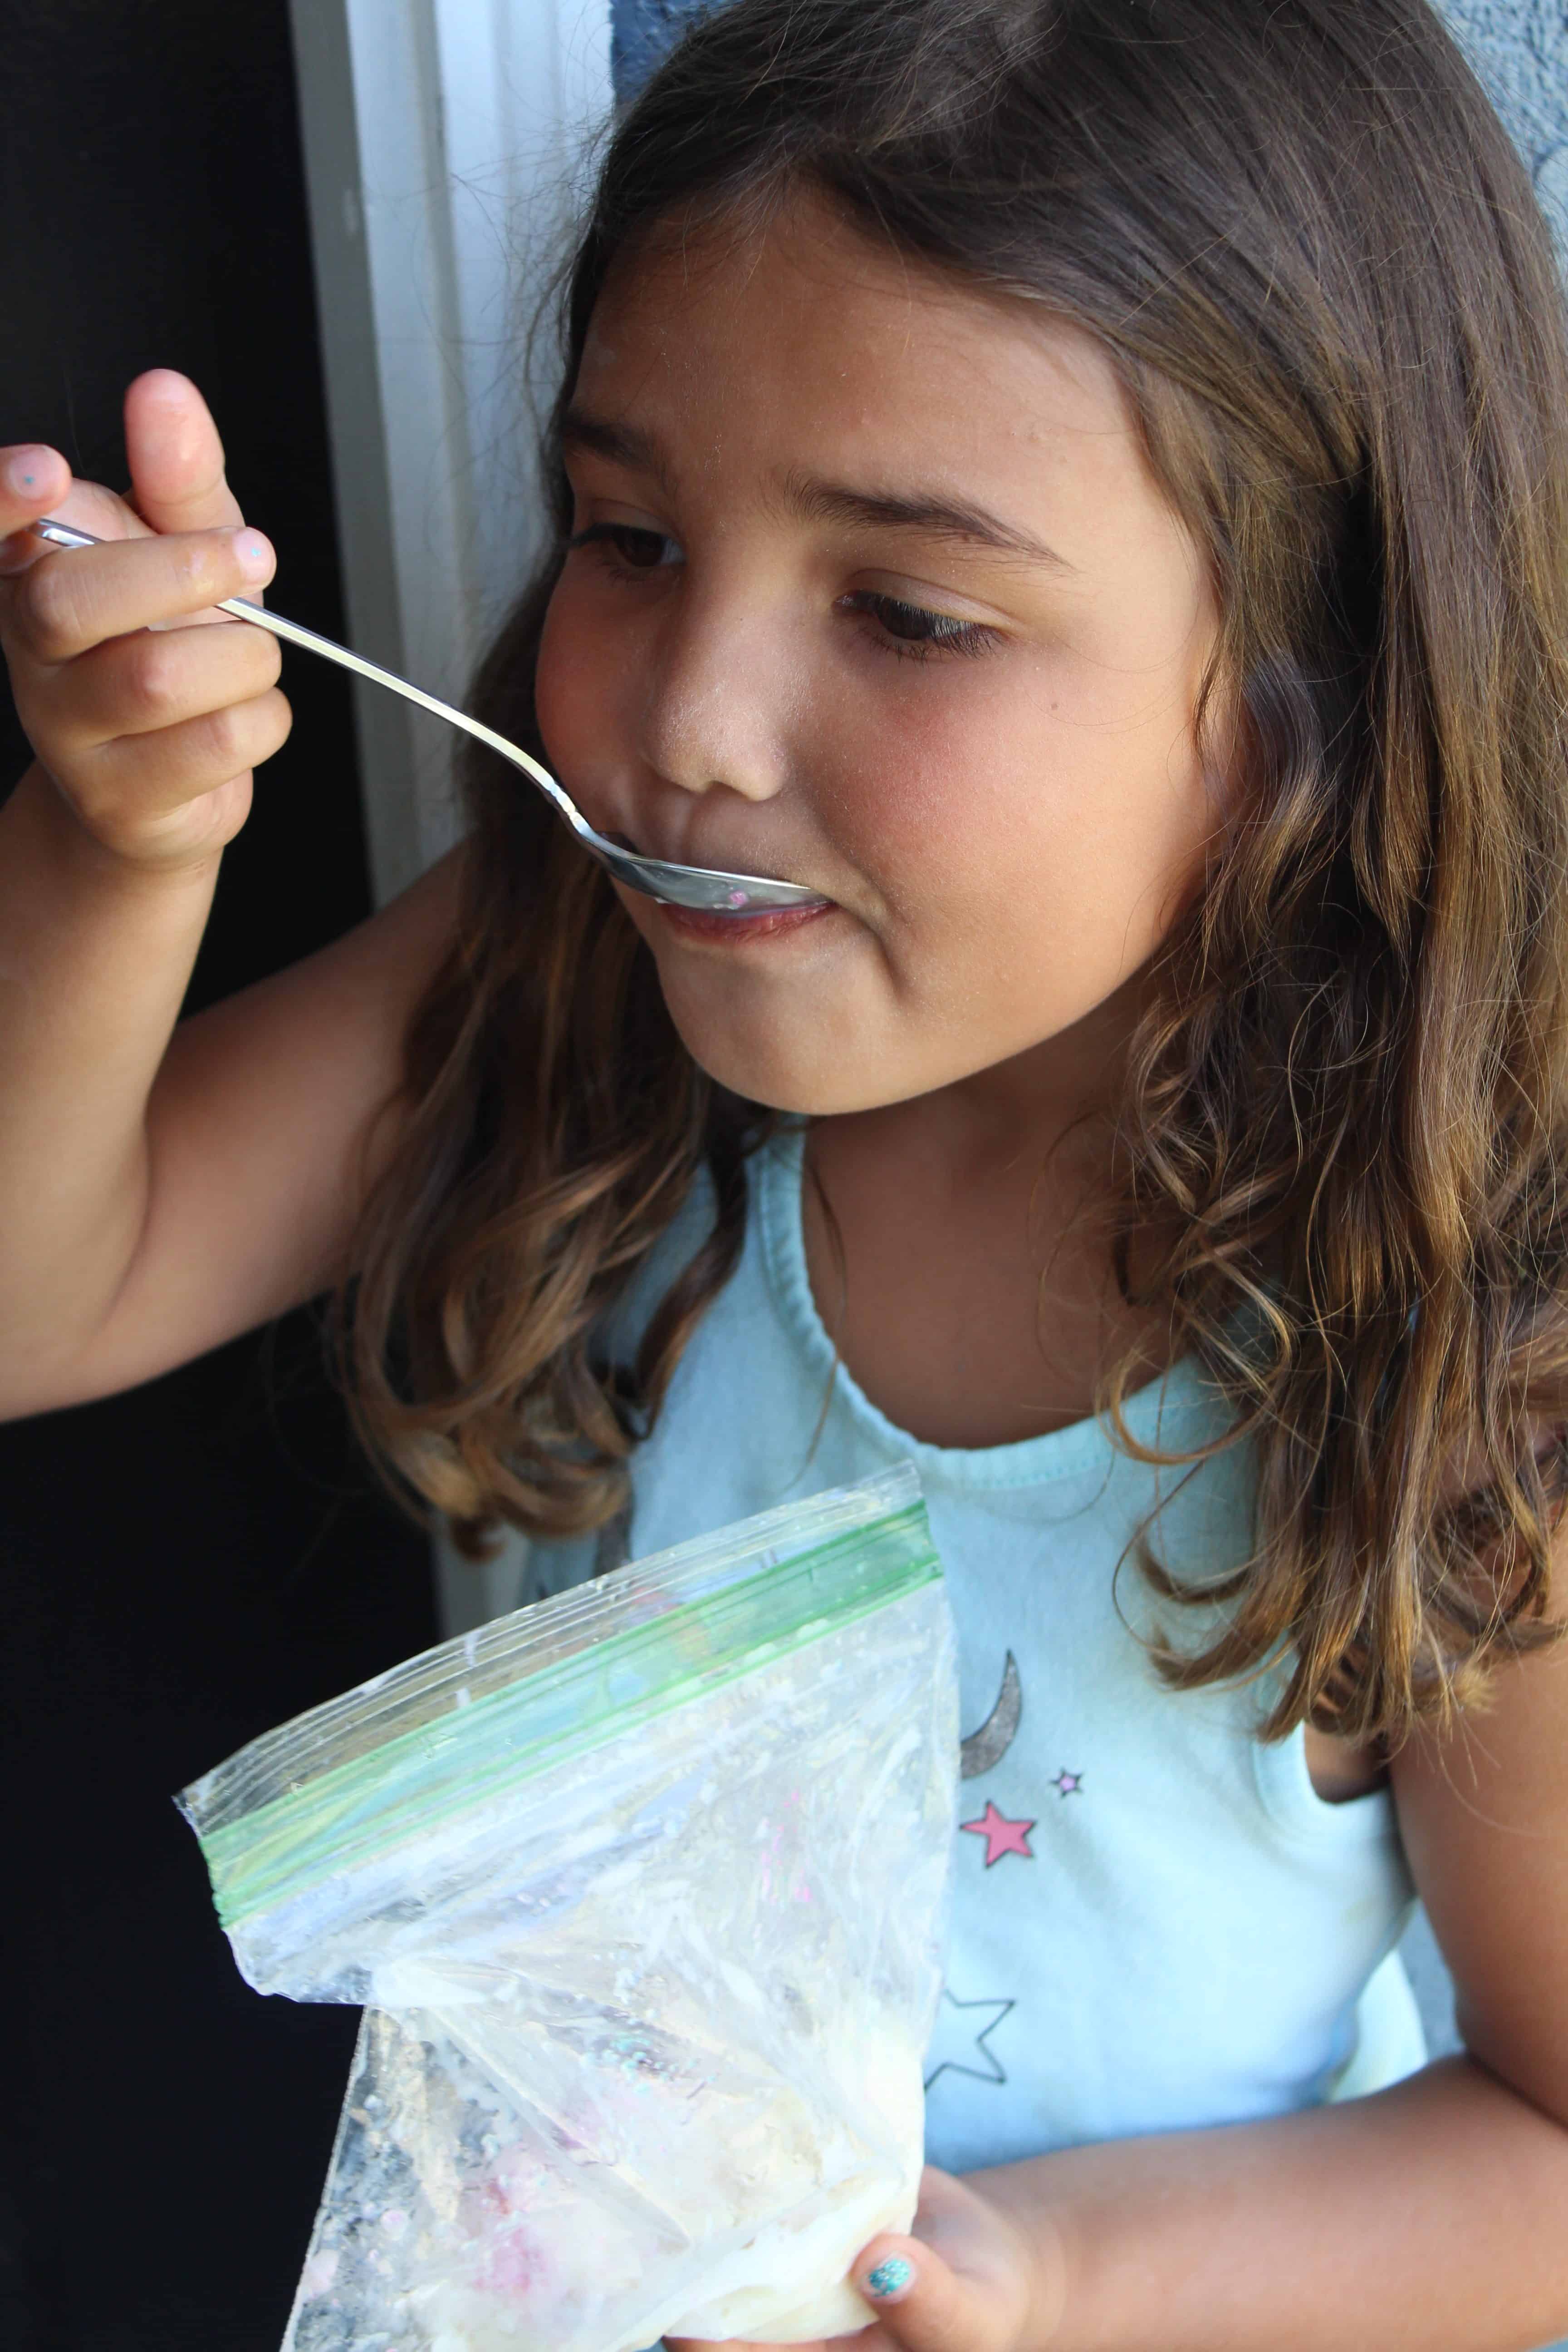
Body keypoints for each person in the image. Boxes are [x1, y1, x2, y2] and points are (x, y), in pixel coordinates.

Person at [3, 0, 1567, 2342]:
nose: (690, 726)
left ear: (1303, 705)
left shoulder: (1461, 1354)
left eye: (910, 611)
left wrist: (1049, 2290)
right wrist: (118, 856)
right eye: (627, 533)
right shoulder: (575, 978)